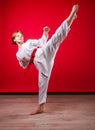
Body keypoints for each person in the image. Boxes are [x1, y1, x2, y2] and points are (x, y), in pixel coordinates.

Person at [12, 5, 79, 115]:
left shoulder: (28, 42)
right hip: (41, 64)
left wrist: (45, 33)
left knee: (55, 38)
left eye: (21, 35)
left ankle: (71, 17)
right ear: (14, 40)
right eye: (18, 36)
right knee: (42, 83)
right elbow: (24, 66)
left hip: (42, 52)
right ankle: (41, 107)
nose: (21, 37)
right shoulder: (18, 54)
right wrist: (24, 62)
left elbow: (41, 42)